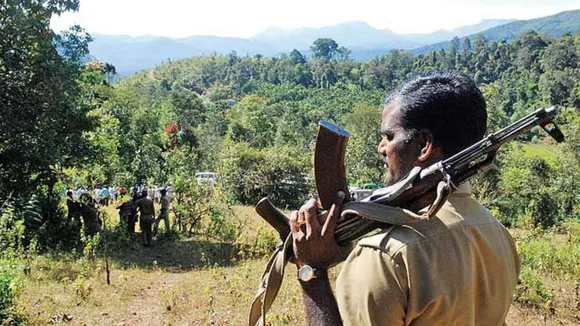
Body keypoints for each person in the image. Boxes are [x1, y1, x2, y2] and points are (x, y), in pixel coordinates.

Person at [289, 72, 521, 325]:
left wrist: (312, 272)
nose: (381, 148)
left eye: (389, 136)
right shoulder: (496, 233)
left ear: (424, 145)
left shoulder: (385, 256)